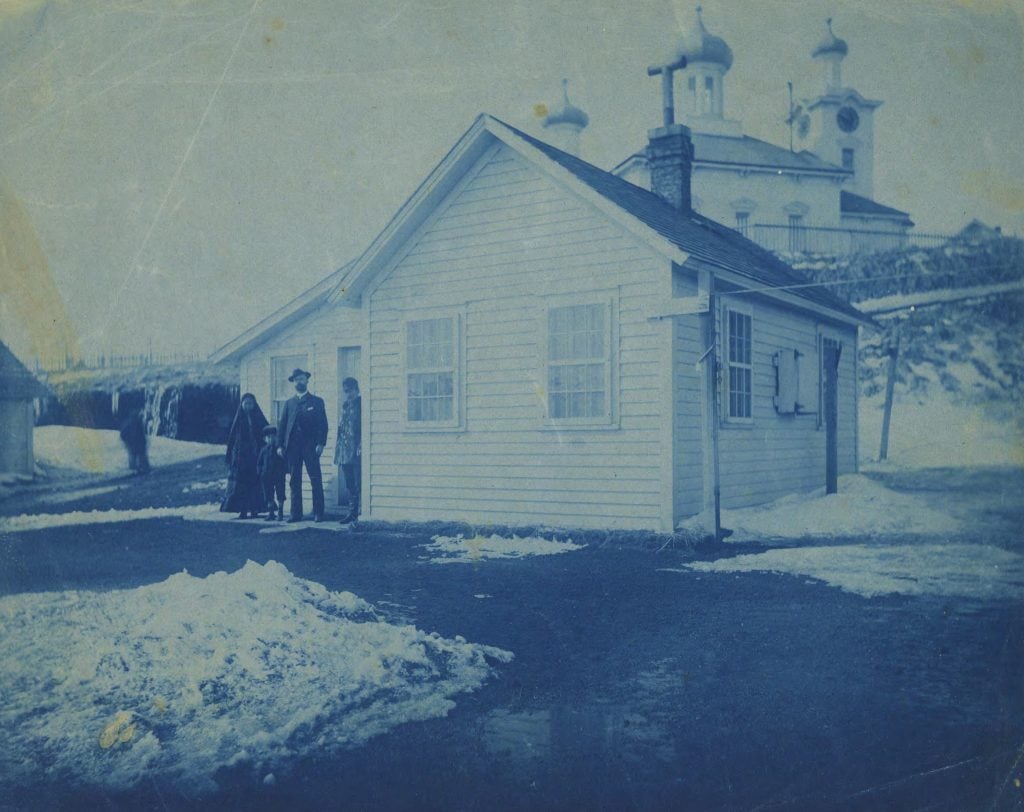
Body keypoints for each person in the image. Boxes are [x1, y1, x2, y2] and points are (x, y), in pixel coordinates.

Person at [276, 368, 328, 522]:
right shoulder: (289, 403)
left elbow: (322, 425)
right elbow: (282, 426)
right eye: (297, 379)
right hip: (292, 447)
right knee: (294, 480)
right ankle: (295, 513)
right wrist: (280, 445)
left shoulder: (316, 402)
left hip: (310, 446)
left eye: (302, 378)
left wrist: (321, 443)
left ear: (307, 380)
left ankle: (318, 513)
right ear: (294, 382)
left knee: (315, 478)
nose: (300, 381)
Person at [221, 393, 268, 519]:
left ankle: (254, 509)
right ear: (242, 405)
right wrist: (230, 457)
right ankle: (242, 510)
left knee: (255, 484)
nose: (248, 406)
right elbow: (232, 439)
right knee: (241, 485)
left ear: (254, 405)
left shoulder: (258, 418)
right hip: (241, 458)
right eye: (246, 403)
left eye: (250, 404)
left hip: (255, 457)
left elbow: (266, 432)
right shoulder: (238, 420)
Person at [334, 377, 362, 524]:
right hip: (344, 450)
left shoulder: (362, 404)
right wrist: (338, 450)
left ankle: (359, 513)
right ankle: (351, 513)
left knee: (358, 482)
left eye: (350, 391)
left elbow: (365, 427)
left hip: (356, 449)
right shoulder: (345, 406)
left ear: (356, 389)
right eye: (345, 391)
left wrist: (361, 444)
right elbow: (341, 428)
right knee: (349, 482)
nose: (348, 394)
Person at [257, 425, 286, 521]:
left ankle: (280, 512)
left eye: (273, 436)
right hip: (266, 475)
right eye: (268, 437)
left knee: (280, 492)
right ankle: (271, 512)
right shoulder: (263, 450)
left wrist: (284, 471)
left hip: (278, 475)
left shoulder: (279, 449)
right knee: (268, 493)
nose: (271, 439)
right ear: (265, 439)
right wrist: (260, 472)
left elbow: (285, 461)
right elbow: (259, 463)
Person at [119, 408, 150, 475]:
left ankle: (138, 468)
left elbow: (123, 434)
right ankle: (141, 468)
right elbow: (138, 433)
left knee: (135, 455)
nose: (142, 417)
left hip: (134, 442)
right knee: (137, 455)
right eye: (141, 416)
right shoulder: (134, 423)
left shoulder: (131, 422)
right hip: (134, 442)